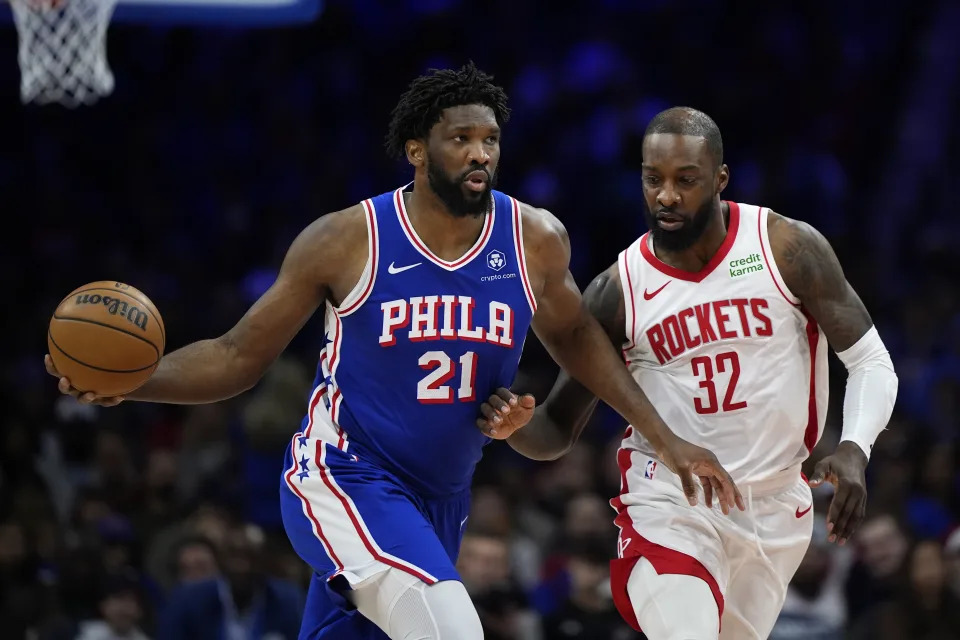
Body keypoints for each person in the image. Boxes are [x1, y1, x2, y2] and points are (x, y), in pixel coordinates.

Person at [44, 66, 742, 640]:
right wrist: (132, 382)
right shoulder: (347, 240)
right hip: (344, 477)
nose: (480, 154)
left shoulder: (533, 239)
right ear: (416, 149)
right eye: (460, 138)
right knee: (452, 632)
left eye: (490, 139)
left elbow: (580, 344)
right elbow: (235, 357)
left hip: (440, 501)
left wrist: (668, 440)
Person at [476, 107, 899, 640]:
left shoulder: (786, 248)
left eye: (685, 180)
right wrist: (516, 427)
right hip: (670, 502)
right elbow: (557, 431)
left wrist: (857, 448)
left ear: (720, 180)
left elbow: (870, 362)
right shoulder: (617, 290)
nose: (666, 196)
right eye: (653, 180)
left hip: (773, 507)